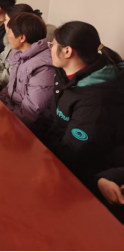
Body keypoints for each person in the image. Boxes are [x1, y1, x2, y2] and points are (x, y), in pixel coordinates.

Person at [34, 22, 124, 188]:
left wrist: (36, 155)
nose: (49, 49)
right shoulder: (65, 75)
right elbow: (49, 114)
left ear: (67, 51)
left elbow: (73, 153)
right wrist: (29, 139)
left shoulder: (96, 98)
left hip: (75, 174)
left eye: (52, 45)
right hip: (52, 153)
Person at [0, 4, 53, 91]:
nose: (4, 23)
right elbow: (0, 60)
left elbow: (9, 77)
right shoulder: (13, 42)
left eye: (6, 20)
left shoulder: (33, 56)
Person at [0, 13, 55, 124]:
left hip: (24, 124)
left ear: (22, 38)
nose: (7, 36)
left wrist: (3, 115)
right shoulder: (20, 54)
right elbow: (9, 88)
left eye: (9, 32)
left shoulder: (44, 67)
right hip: (11, 112)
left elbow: (30, 113)